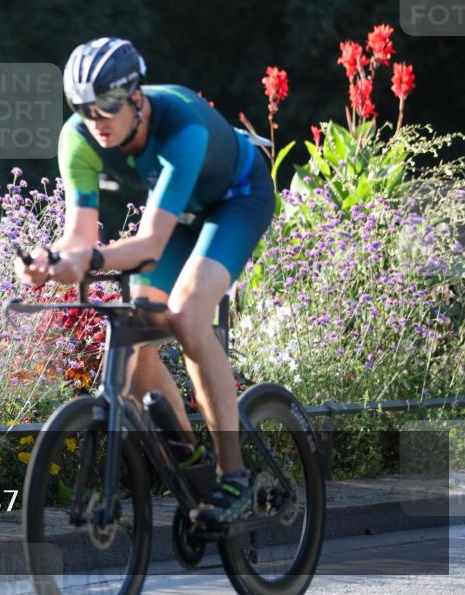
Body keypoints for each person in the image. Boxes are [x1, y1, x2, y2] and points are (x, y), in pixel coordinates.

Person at [14, 37, 275, 526]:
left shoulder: (180, 123)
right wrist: (48, 261)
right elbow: (80, 234)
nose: (98, 120)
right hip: (181, 213)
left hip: (236, 198)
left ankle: (234, 475)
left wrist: (88, 258)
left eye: (108, 106)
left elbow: (150, 244)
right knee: (138, 336)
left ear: (137, 95)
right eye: (84, 109)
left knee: (188, 314)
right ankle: (192, 467)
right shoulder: (79, 138)